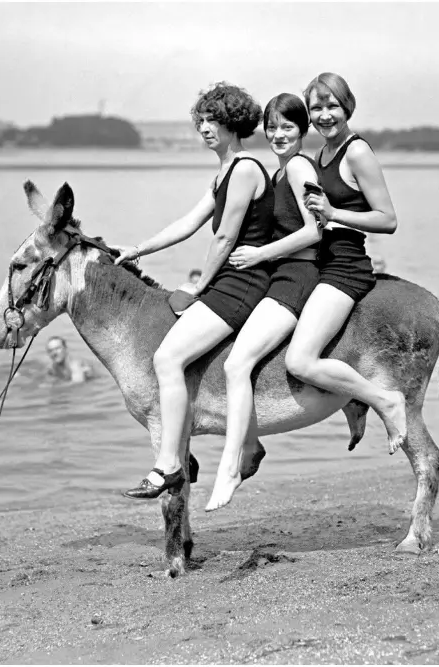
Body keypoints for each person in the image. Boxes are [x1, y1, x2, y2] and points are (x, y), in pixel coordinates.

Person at [115, 82, 275, 500]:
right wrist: (138, 249)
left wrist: (200, 286)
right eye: (200, 120)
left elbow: (224, 237)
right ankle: (181, 457)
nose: (204, 128)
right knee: (172, 357)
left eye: (213, 120)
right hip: (229, 280)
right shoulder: (224, 172)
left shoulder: (245, 169)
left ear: (233, 123)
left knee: (167, 358)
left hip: (243, 282)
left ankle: (169, 465)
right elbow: (188, 223)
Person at [204, 93, 322, 511]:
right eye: (271, 127)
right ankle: (251, 445)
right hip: (278, 275)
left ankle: (231, 467)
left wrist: (259, 255)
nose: (278, 135)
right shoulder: (278, 172)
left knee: (237, 364)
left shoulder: (300, 167)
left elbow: (314, 230)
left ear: (303, 130)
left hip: (297, 277)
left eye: (287, 127)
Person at [285, 72, 407, 455]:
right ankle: (352, 401)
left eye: (332, 106)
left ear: (347, 106)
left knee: (300, 361)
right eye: (316, 108)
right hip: (318, 264)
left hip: (345, 268)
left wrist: (334, 212)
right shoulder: (320, 155)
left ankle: (384, 401)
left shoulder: (356, 152)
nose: (324, 115)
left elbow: (388, 219)